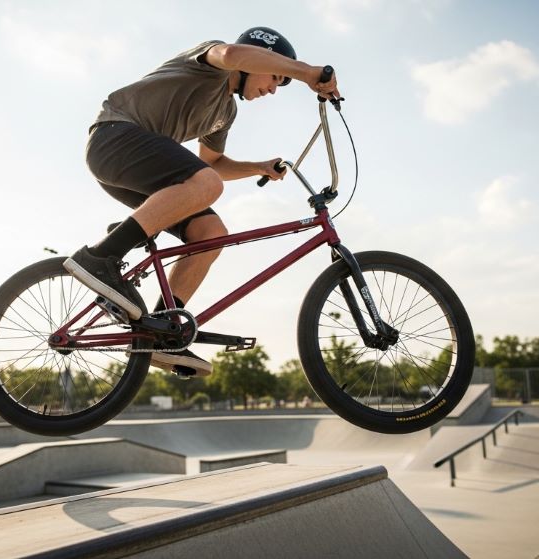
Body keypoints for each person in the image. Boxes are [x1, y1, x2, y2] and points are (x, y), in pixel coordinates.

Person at [64, 27, 340, 377]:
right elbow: (232, 55)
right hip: (114, 137)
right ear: (253, 59)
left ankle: (161, 329)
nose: (272, 89)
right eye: (275, 77)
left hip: (137, 167)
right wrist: (307, 73)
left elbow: (212, 164)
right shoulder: (213, 61)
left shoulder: (225, 112)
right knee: (206, 186)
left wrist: (258, 167)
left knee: (210, 232)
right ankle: (101, 257)